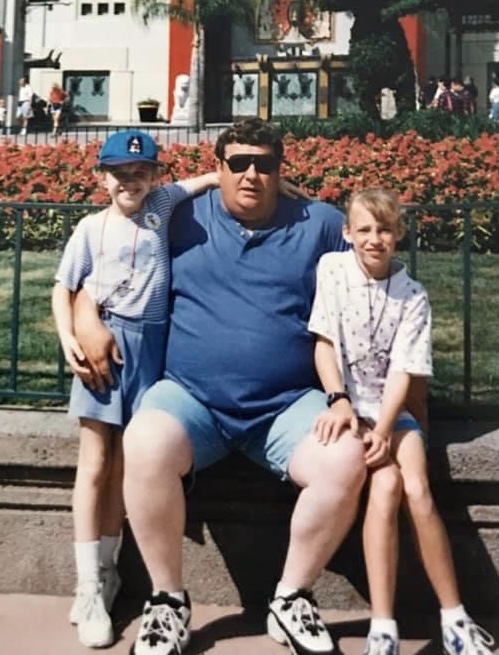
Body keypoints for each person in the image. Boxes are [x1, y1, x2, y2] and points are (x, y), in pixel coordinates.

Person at [72, 117, 369, 655]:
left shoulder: (321, 224)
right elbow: (108, 259)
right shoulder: (178, 216)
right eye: (239, 163)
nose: (251, 175)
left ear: (280, 170)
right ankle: (167, 600)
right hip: (192, 399)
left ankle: (292, 596)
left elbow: (376, 288)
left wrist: (382, 405)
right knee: (144, 441)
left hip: (286, 404)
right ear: (218, 168)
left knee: (344, 457)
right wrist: (86, 318)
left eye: (265, 165)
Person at [308, 188, 495, 655]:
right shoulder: (333, 270)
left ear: (399, 234)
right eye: (365, 229)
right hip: (349, 409)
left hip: (394, 413)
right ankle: (383, 626)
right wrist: (340, 402)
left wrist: (384, 429)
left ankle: (454, 618)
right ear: (347, 233)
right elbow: (325, 343)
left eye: (385, 230)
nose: (375, 239)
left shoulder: (413, 295)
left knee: (415, 486)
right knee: (385, 487)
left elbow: (402, 372)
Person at [52, 129, 219, 649]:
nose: (131, 182)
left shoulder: (161, 205)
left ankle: (109, 569)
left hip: (153, 343)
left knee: (129, 462)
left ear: (155, 176)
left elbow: (209, 179)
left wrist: (281, 186)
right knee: (96, 460)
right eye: (120, 174)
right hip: (106, 340)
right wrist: (69, 338)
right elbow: (63, 286)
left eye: (141, 172)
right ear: (102, 177)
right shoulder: (90, 228)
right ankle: (87, 586)